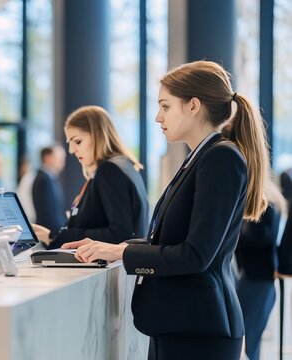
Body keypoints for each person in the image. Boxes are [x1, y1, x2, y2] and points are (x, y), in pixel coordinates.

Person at [64, 61, 271, 360]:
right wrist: (112, 247)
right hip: (182, 323)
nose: (158, 116)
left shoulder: (220, 158)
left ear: (193, 106)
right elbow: (171, 240)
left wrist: (120, 254)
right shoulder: (200, 157)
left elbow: (195, 255)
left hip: (199, 329)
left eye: (165, 106)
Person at [32, 105, 149, 249]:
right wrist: (52, 236)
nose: (72, 150)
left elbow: (119, 234)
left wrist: (58, 236)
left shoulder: (109, 170)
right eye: (70, 143)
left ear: (97, 135)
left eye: (78, 141)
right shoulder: (124, 166)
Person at [234, 180, 287, 360]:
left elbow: (261, 238)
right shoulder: (270, 200)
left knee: (246, 344)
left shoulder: (264, 203)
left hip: (258, 282)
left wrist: (236, 231)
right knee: (247, 343)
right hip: (253, 280)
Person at [32, 145, 67, 231]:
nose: (62, 161)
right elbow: (48, 214)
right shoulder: (43, 179)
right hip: (48, 232)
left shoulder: (51, 177)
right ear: (47, 158)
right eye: (58, 157)